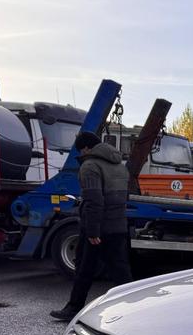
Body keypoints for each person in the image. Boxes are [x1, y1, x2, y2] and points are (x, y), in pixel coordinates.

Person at [49, 131, 133, 321]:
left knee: (84, 269)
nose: (81, 154)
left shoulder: (90, 166)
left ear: (86, 148)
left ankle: (73, 308)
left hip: (97, 227)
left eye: (80, 150)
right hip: (118, 224)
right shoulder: (119, 166)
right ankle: (132, 308)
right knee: (121, 270)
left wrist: (93, 230)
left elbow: (95, 200)